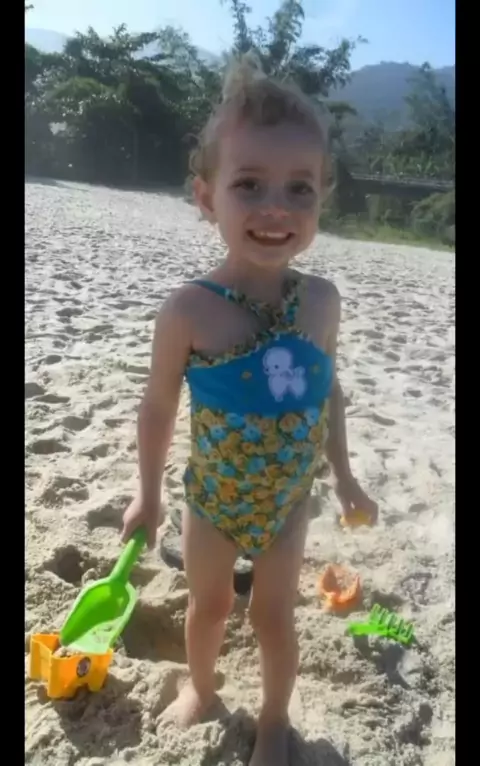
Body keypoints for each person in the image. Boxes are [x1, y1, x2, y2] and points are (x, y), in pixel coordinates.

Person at [121, 53, 378, 766]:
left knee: (274, 616)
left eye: (300, 188)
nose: (277, 207)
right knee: (208, 607)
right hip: (212, 500)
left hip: (289, 500)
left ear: (323, 197)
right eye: (249, 184)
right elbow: (157, 407)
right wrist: (147, 494)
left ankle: (272, 720)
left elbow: (327, 391)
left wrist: (346, 477)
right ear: (207, 198)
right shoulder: (188, 311)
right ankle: (202, 690)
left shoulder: (321, 301)